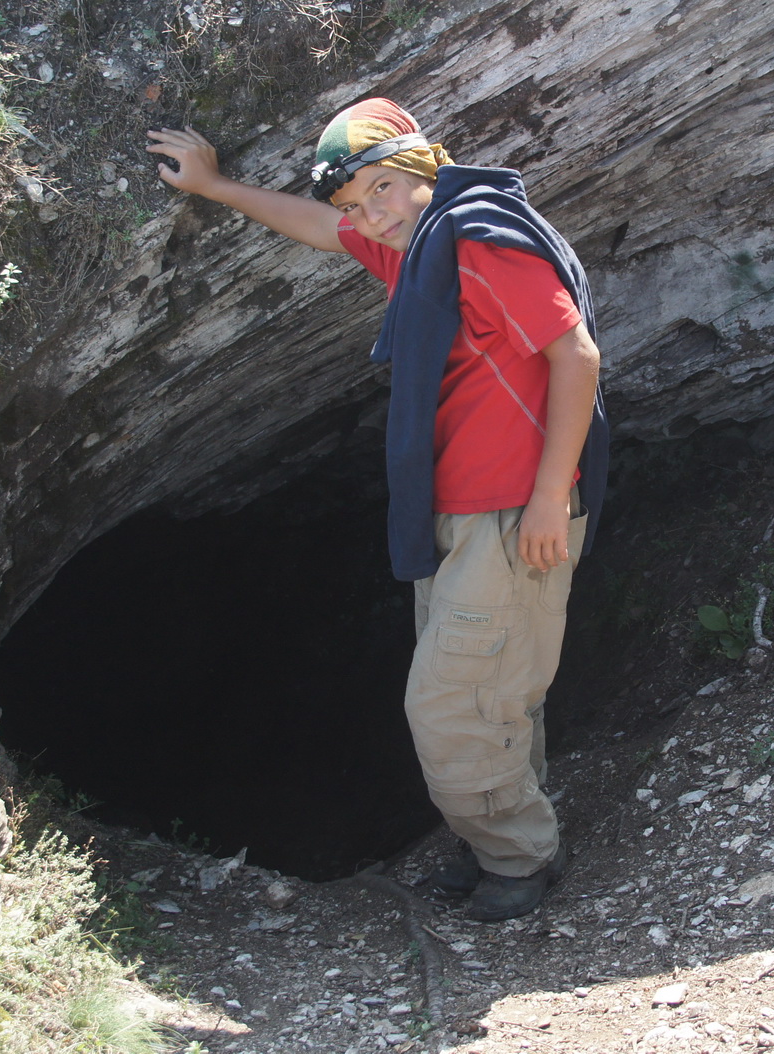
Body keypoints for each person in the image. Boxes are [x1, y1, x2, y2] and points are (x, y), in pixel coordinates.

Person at [146, 99, 608, 921]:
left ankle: (522, 859)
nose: (371, 217)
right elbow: (321, 230)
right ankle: (497, 839)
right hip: (460, 514)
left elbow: (575, 353)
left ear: (422, 164)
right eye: (356, 204)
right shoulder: (421, 249)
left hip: (512, 516)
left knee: (449, 704)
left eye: (381, 189)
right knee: (491, 690)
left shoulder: (478, 240)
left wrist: (547, 497)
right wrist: (215, 186)